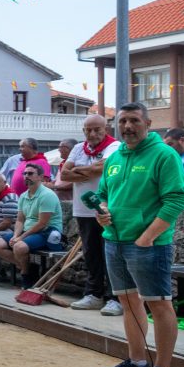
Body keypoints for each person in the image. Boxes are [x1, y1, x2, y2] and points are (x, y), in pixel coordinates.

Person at [96, 102, 184, 367]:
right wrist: (102, 210)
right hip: (114, 241)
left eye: (134, 120)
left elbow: (176, 200)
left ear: (148, 124)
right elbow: (102, 195)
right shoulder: (114, 158)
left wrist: (149, 235)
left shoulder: (164, 155)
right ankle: (136, 361)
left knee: (159, 305)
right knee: (128, 302)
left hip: (149, 245)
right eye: (123, 121)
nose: (128, 127)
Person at [63, 115, 121, 315]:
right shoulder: (78, 148)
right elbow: (64, 174)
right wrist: (90, 171)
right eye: (88, 130)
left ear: (106, 129)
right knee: (92, 254)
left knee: (111, 254)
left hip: (107, 209)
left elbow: (104, 167)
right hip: (82, 210)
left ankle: (115, 297)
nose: (92, 134)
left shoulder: (114, 147)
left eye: (97, 129)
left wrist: (78, 171)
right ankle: (94, 295)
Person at [0, 163, 63, 288]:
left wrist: (21, 238)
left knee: (19, 247)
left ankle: (26, 274)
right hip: (28, 230)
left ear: (40, 177)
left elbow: (42, 223)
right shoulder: (23, 196)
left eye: (30, 174)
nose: (26, 176)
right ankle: (29, 267)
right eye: (25, 173)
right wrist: (16, 235)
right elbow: (20, 219)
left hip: (46, 231)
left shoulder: (47, 195)